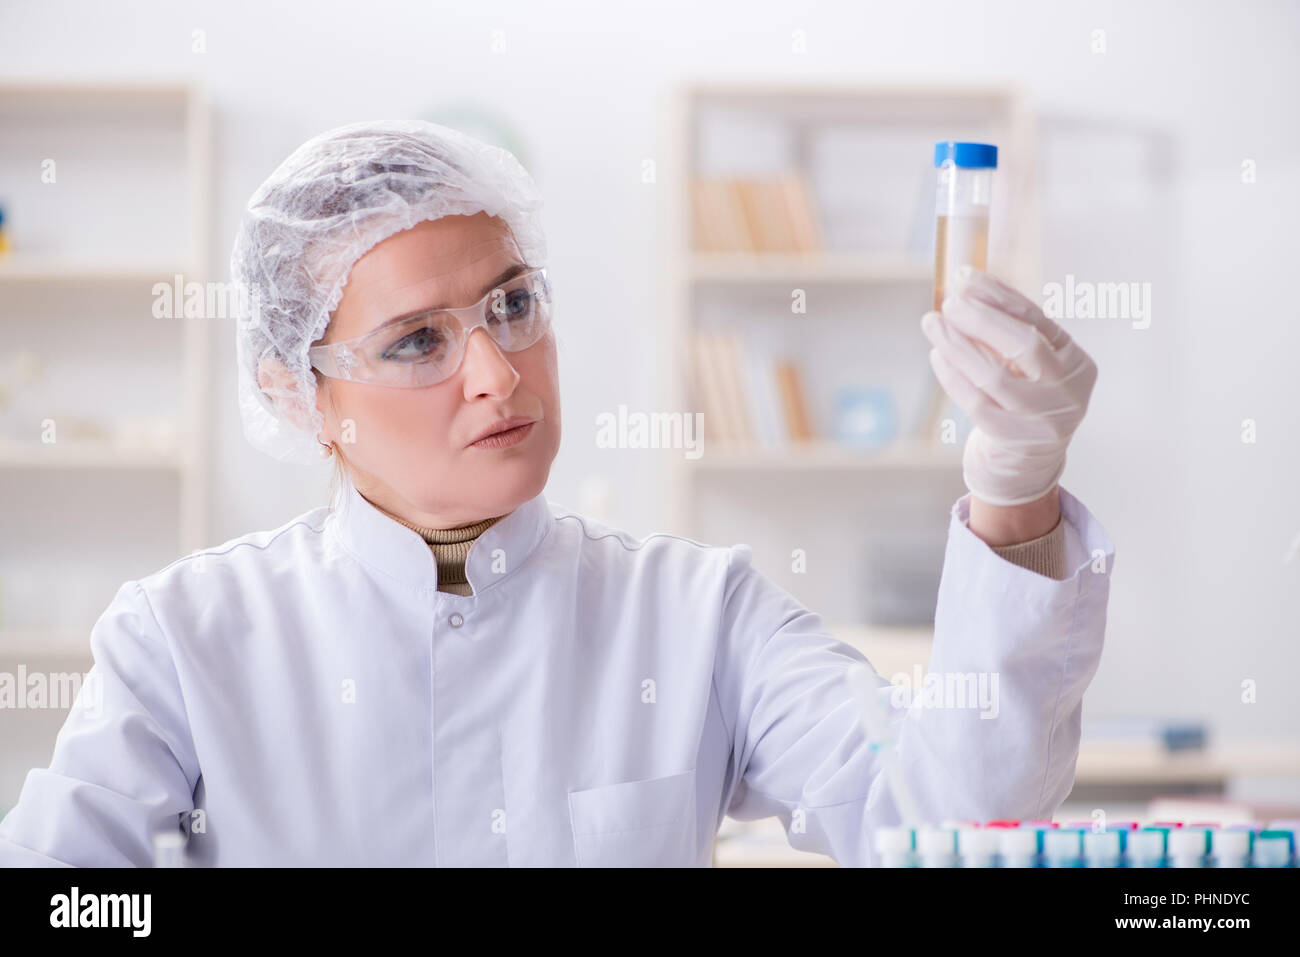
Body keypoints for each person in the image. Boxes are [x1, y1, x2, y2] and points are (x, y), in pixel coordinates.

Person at [0, 119, 1113, 867]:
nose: (496, 372)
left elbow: (953, 829)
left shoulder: (696, 614)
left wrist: (1015, 496)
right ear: (296, 395)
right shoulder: (186, 637)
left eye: (512, 306)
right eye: (416, 341)